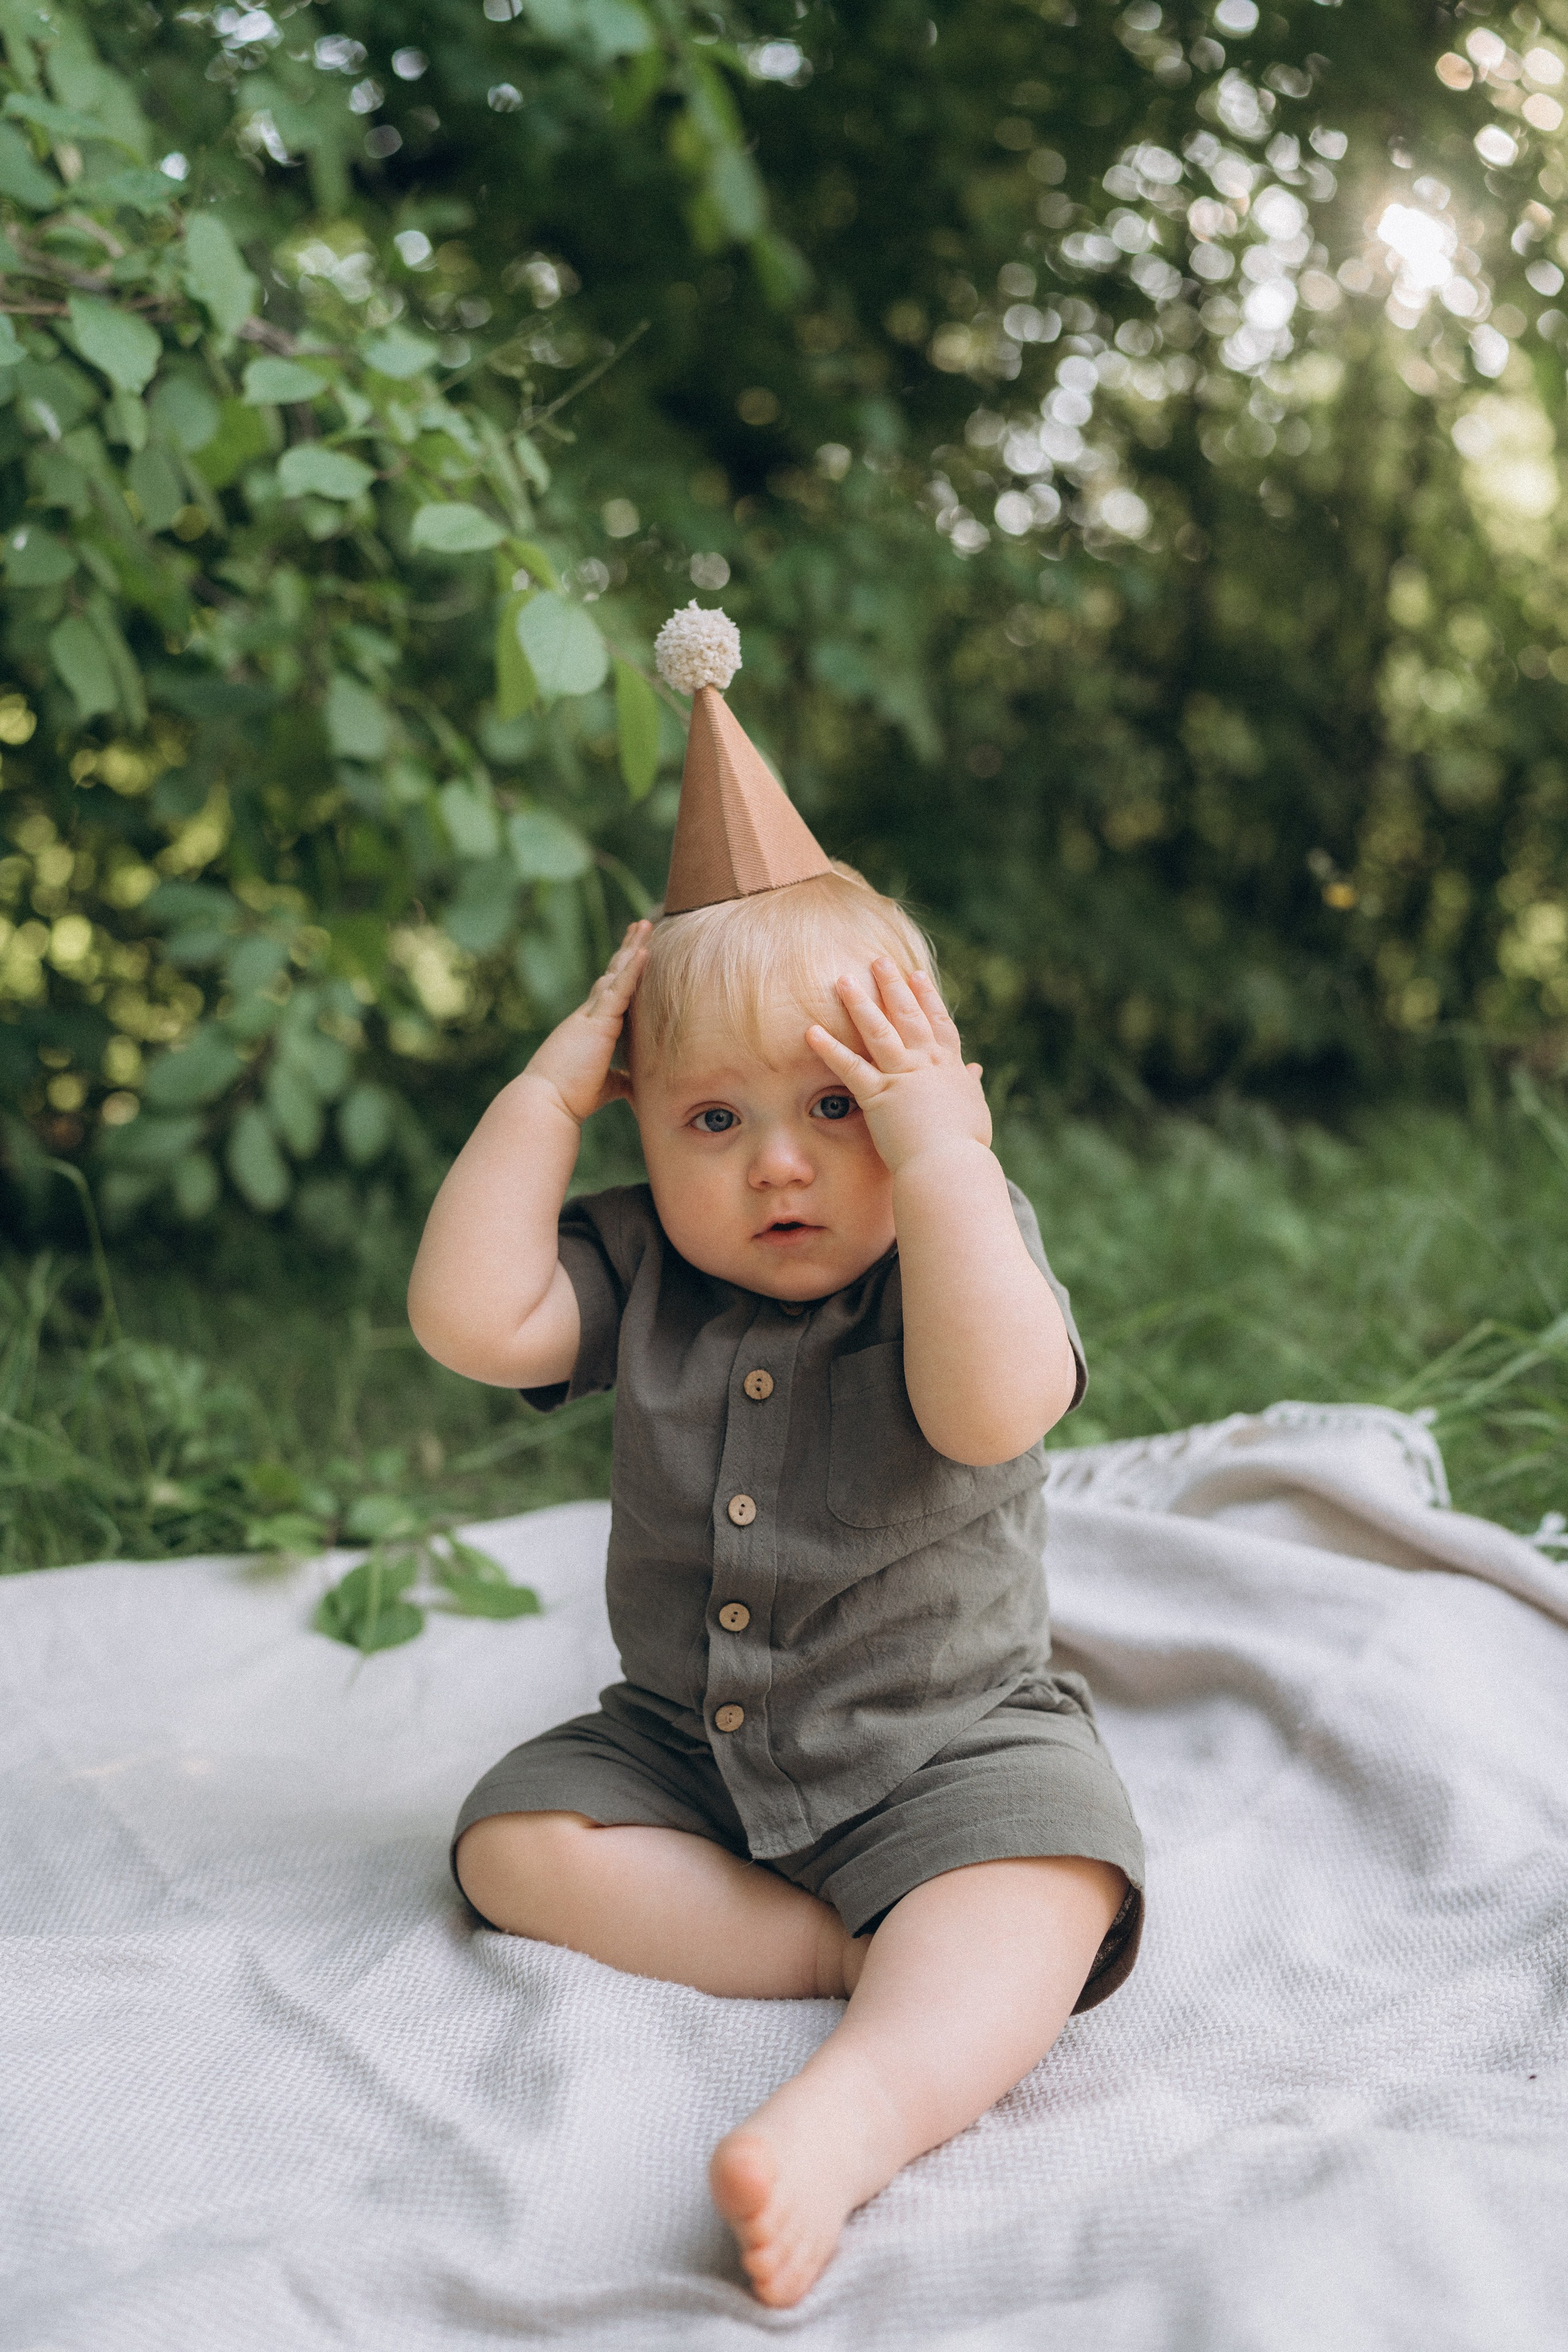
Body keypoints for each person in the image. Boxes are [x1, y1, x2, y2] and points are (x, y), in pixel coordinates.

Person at [407, 606, 1144, 2309]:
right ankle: (823, 1947)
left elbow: (993, 1409)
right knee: (508, 1843)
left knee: (1056, 1880)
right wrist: (545, 1085)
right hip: (692, 1748)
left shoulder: (955, 1244)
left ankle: (858, 2104)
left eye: (836, 1107)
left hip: (947, 1743)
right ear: (642, 1125)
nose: (777, 1171)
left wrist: (945, 1165)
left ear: (923, 1105)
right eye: (709, 1119)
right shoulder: (643, 1262)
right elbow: (471, 1319)